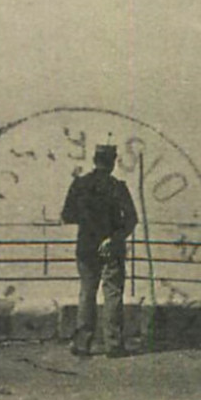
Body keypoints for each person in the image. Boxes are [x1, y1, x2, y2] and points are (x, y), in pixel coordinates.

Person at [61, 143, 138, 358]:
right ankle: (113, 344)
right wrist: (114, 237)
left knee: (87, 292)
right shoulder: (118, 187)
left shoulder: (80, 184)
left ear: (94, 160)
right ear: (113, 162)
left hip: (86, 246)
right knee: (112, 293)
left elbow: (67, 215)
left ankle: (83, 344)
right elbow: (132, 219)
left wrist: (88, 223)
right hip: (111, 247)